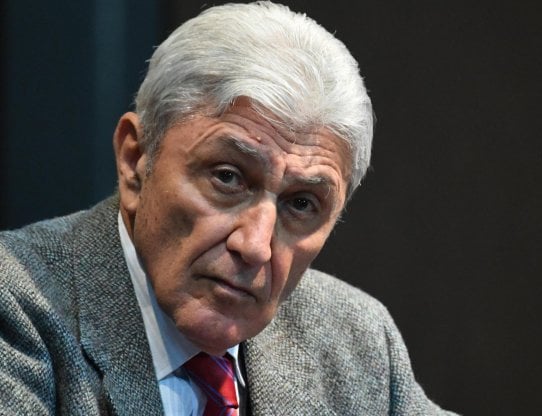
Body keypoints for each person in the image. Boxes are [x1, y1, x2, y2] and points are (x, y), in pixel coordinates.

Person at [0, 2, 457, 415]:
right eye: (227, 178)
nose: (255, 246)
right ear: (136, 160)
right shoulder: (17, 305)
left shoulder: (354, 340)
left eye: (301, 204)